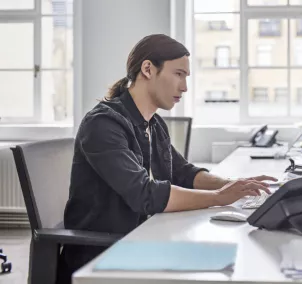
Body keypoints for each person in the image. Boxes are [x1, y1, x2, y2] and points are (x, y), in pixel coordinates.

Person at [57, 34, 276, 283]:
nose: (184, 87)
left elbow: (184, 173)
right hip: (104, 254)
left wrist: (235, 185)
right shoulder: (103, 124)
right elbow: (144, 193)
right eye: (178, 74)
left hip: (144, 240)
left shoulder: (154, 123)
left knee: (230, 260)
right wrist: (219, 198)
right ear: (148, 69)